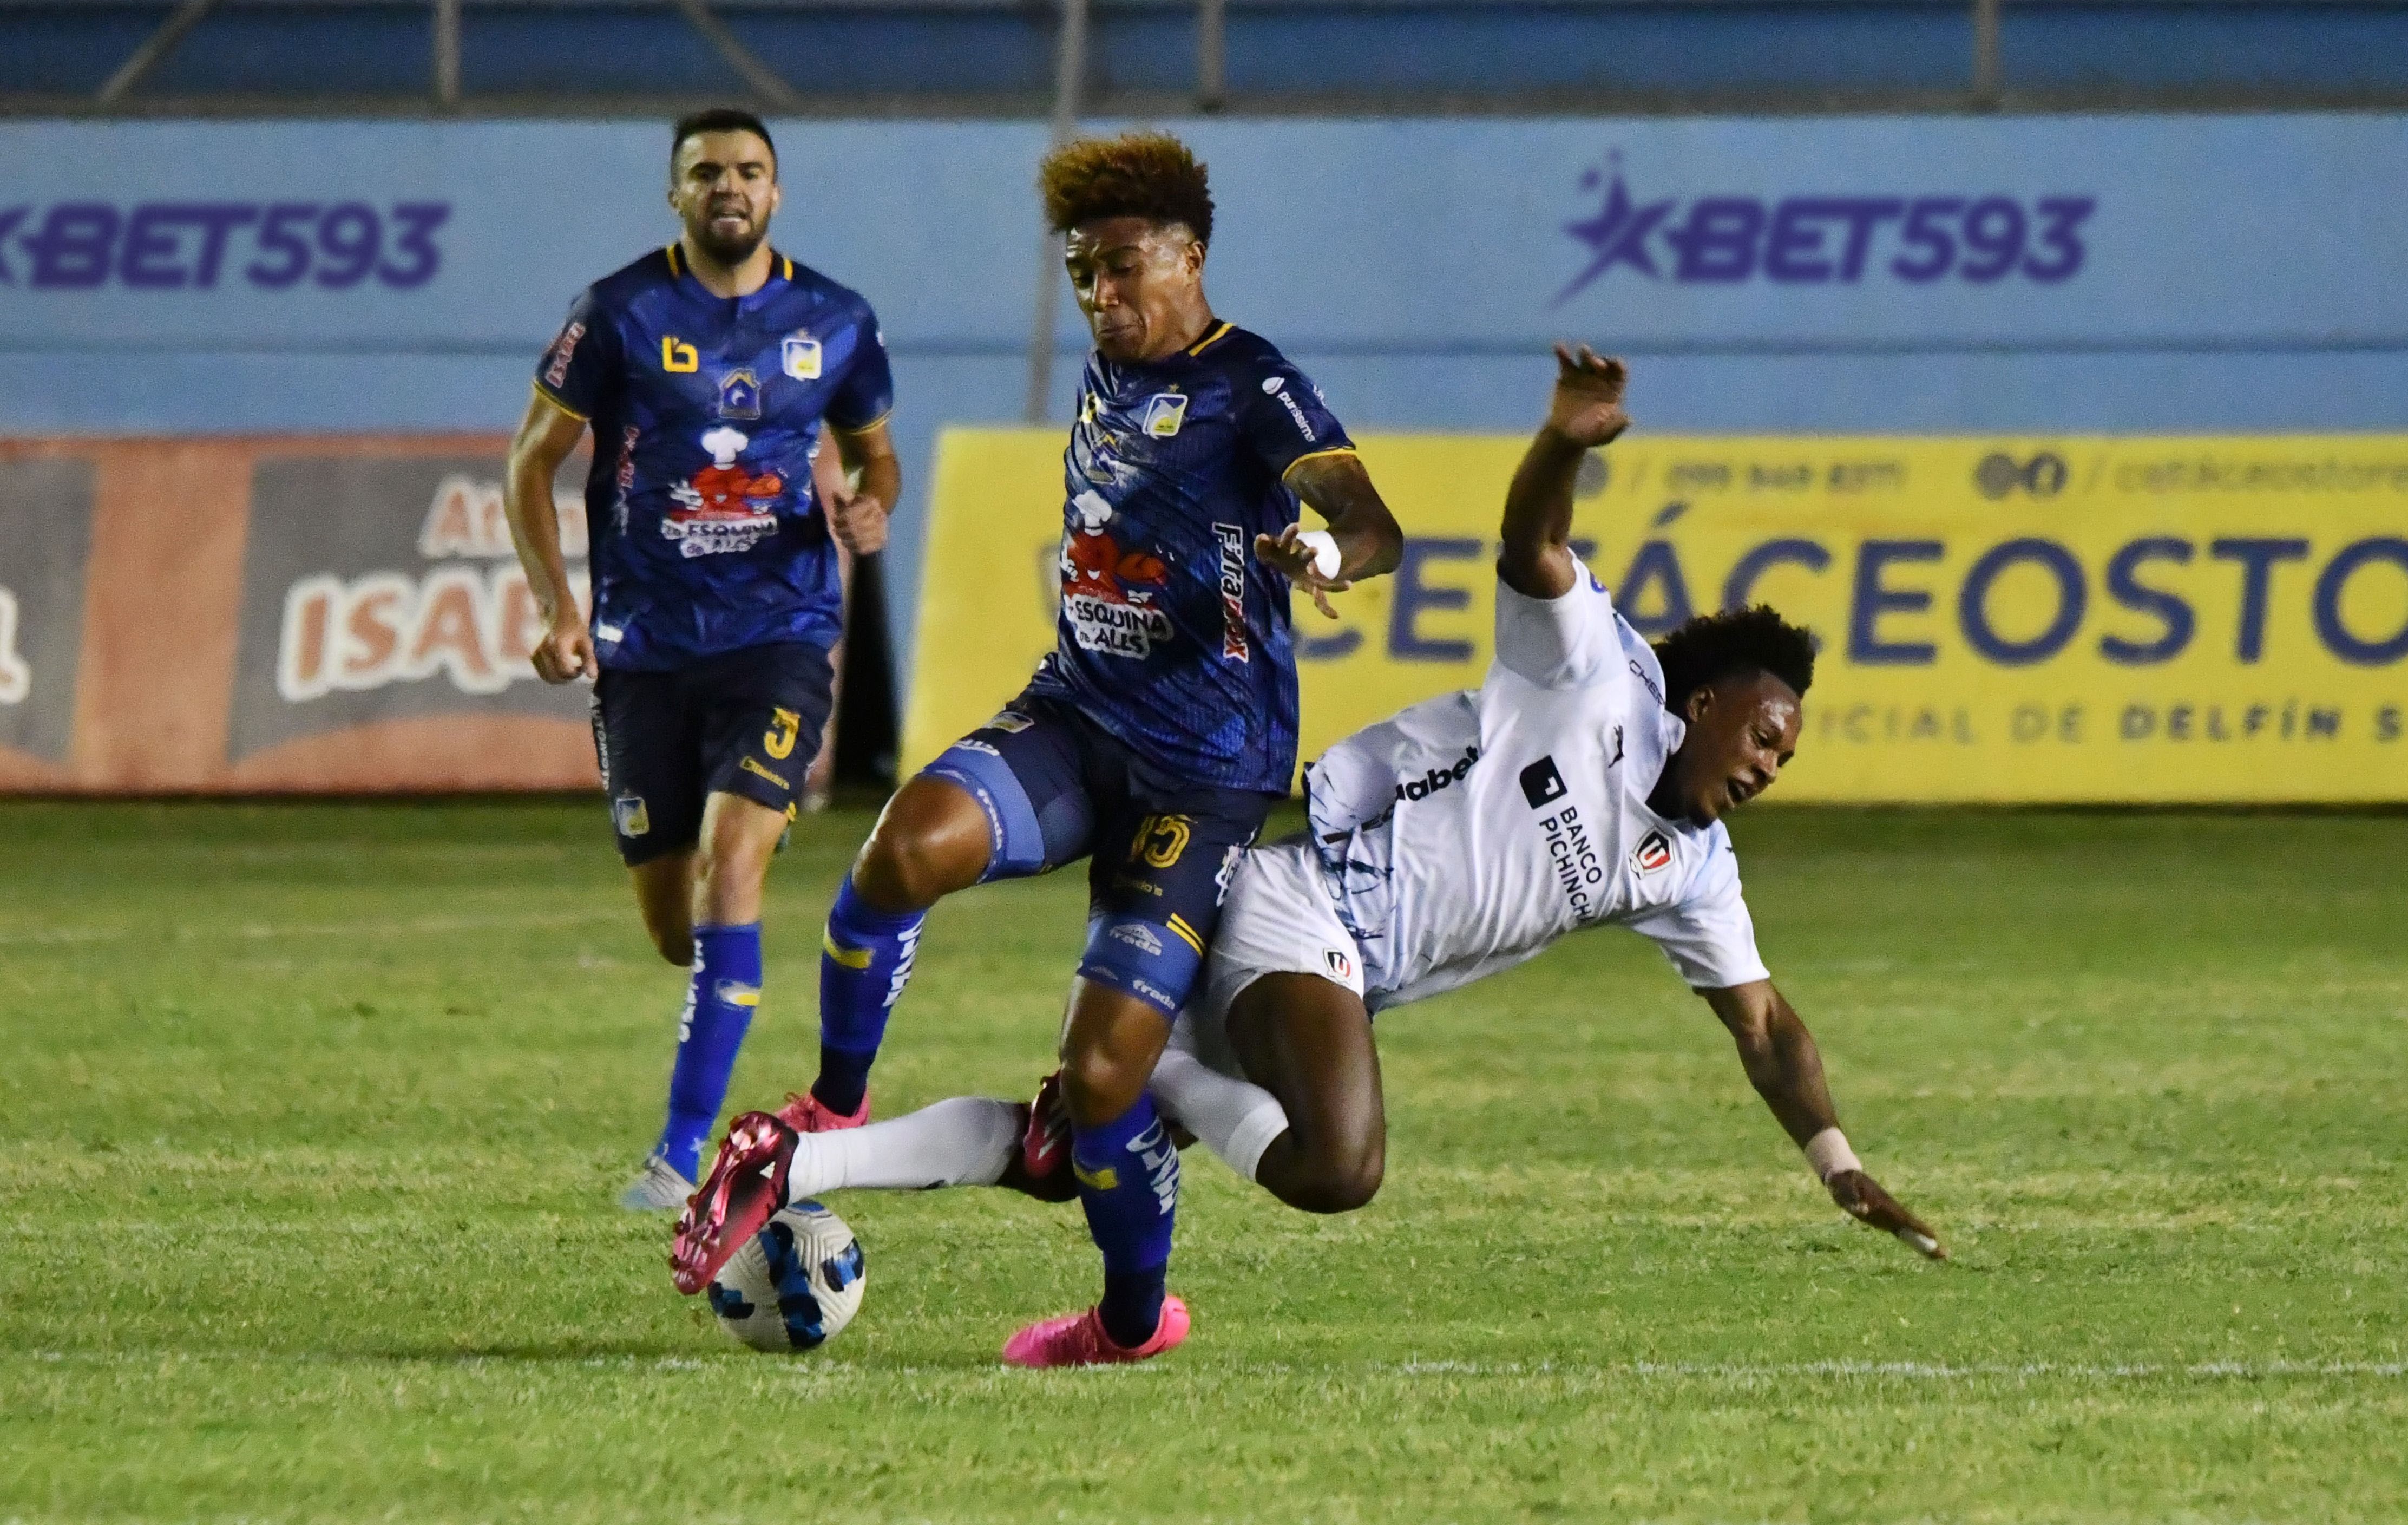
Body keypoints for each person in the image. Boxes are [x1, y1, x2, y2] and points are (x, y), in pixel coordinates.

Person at [690, 348, 1945, 1340]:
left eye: (1786, 757)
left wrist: (1835, 1164)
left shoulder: (1691, 868)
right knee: (1338, 1166)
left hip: (1337, 974)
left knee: (1058, 1157)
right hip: (1303, 908)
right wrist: (1560, 440)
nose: (1771, 763)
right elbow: (1534, 545)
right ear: (1711, 697)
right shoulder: (1595, 677)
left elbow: (1767, 1027)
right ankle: (1139, 1081)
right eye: (1767, 732)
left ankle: (795, 1153)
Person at [671, 130, 1405, 1366]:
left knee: (1102, 1080)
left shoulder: (1251, 383)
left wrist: (1327, 554)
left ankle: (1129, 1322)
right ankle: (832, 1102)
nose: (1100, 296)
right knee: (905, 846)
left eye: (1122, 268)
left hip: (1204, 772)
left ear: (1191, 257)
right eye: (1081, 273)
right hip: (1075, 714)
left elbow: (1367, 518)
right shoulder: (1110, 370)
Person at [503, 107, 901, 1212]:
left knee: (735, 866)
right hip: (643, 648)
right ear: (675, 194)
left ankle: (681, 1155)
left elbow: (878, 460)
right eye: (705, 171)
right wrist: (556, 605)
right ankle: (732, 994)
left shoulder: (836, 319)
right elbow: (530, 464)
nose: (729, 186)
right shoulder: (619, 313)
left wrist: (870, 511)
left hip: (778, 635)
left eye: (749, 170)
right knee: (678, 926)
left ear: (776, 191)